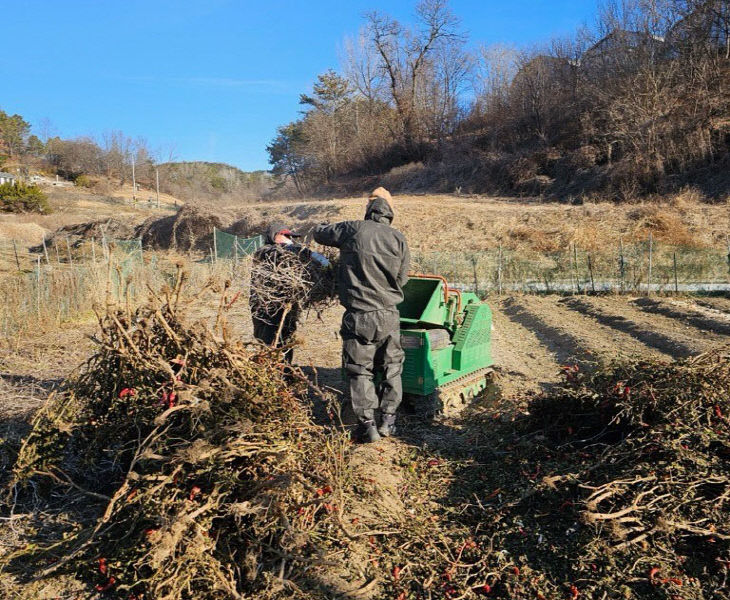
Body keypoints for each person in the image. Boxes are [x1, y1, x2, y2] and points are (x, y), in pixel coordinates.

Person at [314, 187, 410, 443]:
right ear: (390, 214)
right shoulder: (398, 238)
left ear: (369, 210)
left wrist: (320, 222)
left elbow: (320, 234)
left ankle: (367, 425)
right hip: (389, 315)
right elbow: (402, 278)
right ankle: (389, 420)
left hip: (360, 314)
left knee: (360, 370)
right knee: (392, 369)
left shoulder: (353, 229)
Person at [249, 223, 328, 363]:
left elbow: (323, 262)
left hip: (287, 305)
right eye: (285, 236)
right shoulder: (265, 251)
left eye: (290, 237)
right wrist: (295, 248)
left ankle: (285, 370)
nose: (289, 239)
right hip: (266, 307)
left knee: (287, 337)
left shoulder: (292, 251)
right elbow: (276, 254)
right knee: (268, 339)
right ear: (274, 236)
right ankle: (271, 371)